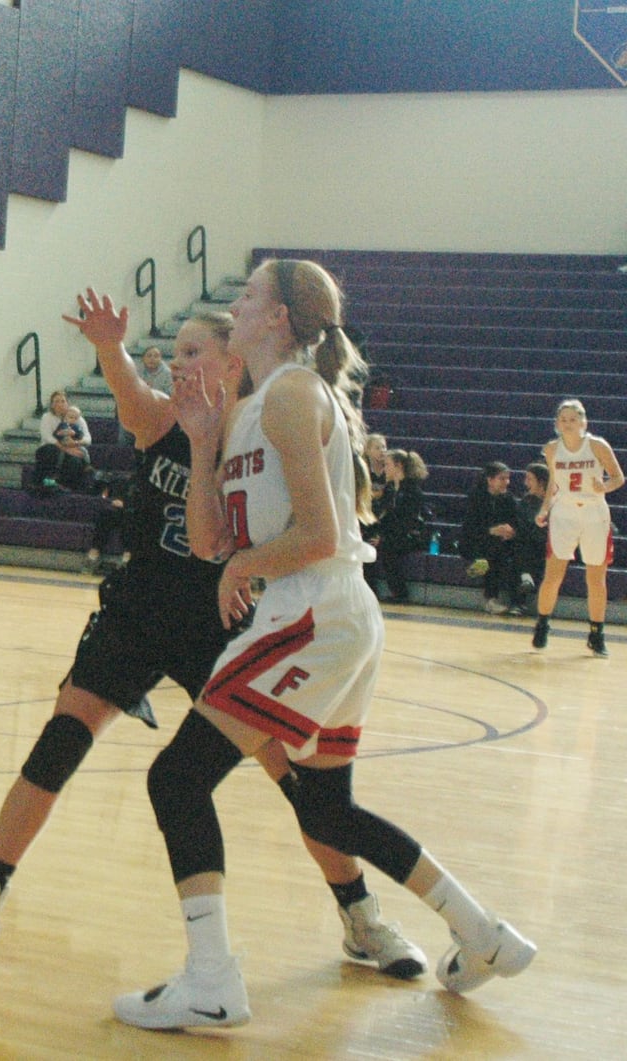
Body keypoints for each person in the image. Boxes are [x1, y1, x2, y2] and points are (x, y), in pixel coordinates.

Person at [0, 294, 425, 984]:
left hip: (221, 622)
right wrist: (110, 346)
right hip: (139, 609)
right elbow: (131, 391)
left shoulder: (260, 428)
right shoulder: (164, 417)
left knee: (299, 783)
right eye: (178, 353)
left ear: (232, 361)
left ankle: (361, 914)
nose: (178, 363)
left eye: (194, 352)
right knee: (59, 742)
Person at [113, 258, 533, 1031]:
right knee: (328, 812)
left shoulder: (296, 392)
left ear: (277, 319)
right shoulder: (245, 412)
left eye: (245, 298)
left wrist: (246, 563)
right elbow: (209, 544)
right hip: (321, 614)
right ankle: (483, 932)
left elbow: (320, 534)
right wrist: (204, 444)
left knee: (177, 778)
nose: (233, 307)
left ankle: (211, 979)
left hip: (316, 606)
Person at [531, 399, 624, 655]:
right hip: (564, 512)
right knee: (553, 574)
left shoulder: (596, 445)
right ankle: (542, 624)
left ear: (584, 422)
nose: (568, 424)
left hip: (594, 513)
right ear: (557, 424)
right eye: (564, 420)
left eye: (573, 419)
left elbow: (619, 477)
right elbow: (554, 483)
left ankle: (596, 633)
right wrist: (545, 508)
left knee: (596, 577)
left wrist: (604, 487)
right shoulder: (551, 449)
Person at [364, 449, 431, 602]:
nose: (384, 469)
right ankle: (370, 592)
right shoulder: (390, 489)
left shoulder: (412, 491)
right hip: (394, 534)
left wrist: (384, 538)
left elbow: (407, 522)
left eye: (387, 465)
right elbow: (385, 517)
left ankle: (400, 593)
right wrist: (375, 534)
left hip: (411, 536)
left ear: (398, 466)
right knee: (367, 543)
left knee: (388, 549)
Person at [461, 462, 523, 614]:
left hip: (500, 544)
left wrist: (511, 532)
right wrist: (491, 530)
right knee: (491, 554)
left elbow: (516, 523)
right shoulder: (475, 497)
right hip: (476, 542)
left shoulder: (509, 499)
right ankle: (491, 599)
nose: (506, 482)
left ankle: (517, 602)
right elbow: (469, 528)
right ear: (490, 480)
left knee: (510, 553)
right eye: (502, 478)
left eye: (508, 479)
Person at [33, 390, 90, 491]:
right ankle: (46, 481)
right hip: (51, 449)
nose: (60, 404)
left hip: (72, 448)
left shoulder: (76, 417)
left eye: (63, 401)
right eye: (56, 401)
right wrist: (66, 449)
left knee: (75, 460)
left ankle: (65, 486)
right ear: (52, 405)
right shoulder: (47, 417)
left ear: (67, 403)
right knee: (51, 450)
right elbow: (47, 437)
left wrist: (76, 443)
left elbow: (88, 439)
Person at [512, 461, 549, 614]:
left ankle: (524, 583)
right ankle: (523, 587)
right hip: (530, 544)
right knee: (520, 546)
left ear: (541, 482)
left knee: (523, 547)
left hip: (548, 544)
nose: (526, 483)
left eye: (529, 479)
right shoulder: (526, 501)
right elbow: (520, 522)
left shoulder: (555, 502)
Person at [363, 432, 389, 508]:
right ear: (367, 451)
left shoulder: (390, 466)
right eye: (377, 448)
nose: (382, 450)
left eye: (384, 447)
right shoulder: (364, 467)